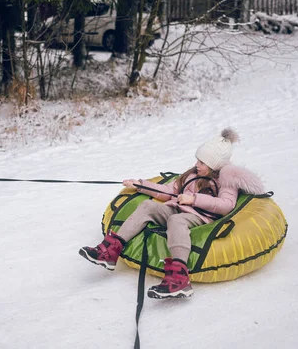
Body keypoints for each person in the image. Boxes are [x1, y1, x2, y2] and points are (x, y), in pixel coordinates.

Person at [79, 128, 265, 299]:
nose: (196, 164)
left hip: (201, 216)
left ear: (214, 164)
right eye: (197, 159)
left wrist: (194, 200)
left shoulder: (226, 180)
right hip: (177, 206)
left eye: (202, 162)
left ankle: (179, 278)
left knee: (177, 220)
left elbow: (226, 205)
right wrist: (140, 184)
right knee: (147, 206)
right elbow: (168, 190)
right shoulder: (191, 174)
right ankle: (111, 251)